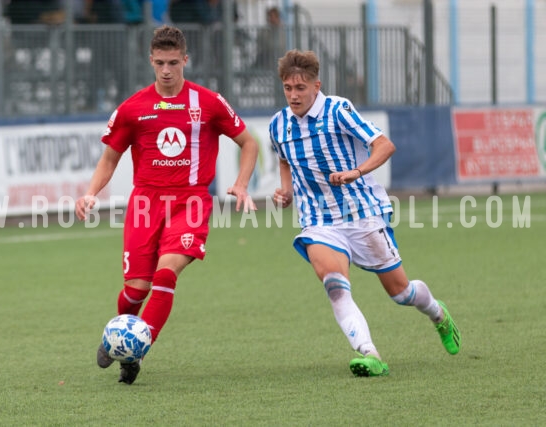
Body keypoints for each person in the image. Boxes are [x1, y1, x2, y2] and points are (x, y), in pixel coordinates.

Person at [75, 25, 258, 385]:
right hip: (145, 203)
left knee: (165, 273)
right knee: (135, 290)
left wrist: (239, 184)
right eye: (160, 62)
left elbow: (249, 143)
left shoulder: (207, 102)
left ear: (185, 60)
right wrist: (91, 192)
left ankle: (137, 349)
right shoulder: (133, 108)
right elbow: (110, 158)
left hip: (191, 201)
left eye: (174, 62)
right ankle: (117, 336)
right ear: (151, 61)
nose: (167, 70)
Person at [269, 50, 460, 377]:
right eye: (288, 88)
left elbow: (384, 145)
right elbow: (285, 158)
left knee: (401, 293)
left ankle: (437, 313)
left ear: (317, 85)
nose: (294, 95)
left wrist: (355, 172)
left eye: (300, 87)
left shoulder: (338, 110)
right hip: (319, 221)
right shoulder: (279, 124)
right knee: (334, 284)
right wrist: (286, 190)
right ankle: (370, 354)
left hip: (363, 213)